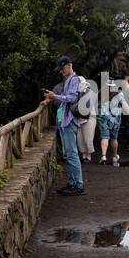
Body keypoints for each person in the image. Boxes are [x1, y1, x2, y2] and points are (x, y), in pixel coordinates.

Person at [42, 56, 84, 195]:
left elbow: (72, 98)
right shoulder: (69, 80)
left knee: (71, 153)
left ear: (69, 65)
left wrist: (55, 96)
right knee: (68, 153)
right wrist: (52, 96)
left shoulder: (74, 79)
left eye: (62, 68)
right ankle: (72, 183)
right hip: (65, 120)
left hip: (69, 120)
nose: (61, 71)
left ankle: (78, 184)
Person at [97, 80, 125, 164]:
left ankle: (103, 156)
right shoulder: (119, 94)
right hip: (115, 118)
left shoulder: (100, 93)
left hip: (103, 117)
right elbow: (124, 104)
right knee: (114, 138)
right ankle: (114, 156)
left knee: (105, 137)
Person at [76, 73, 97, 162]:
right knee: (79, 137)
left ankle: (88, 155)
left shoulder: (89, 92)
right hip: (78, 117)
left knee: (88, 137)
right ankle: (83, 154)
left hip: (89, 117)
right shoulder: (75, 93)